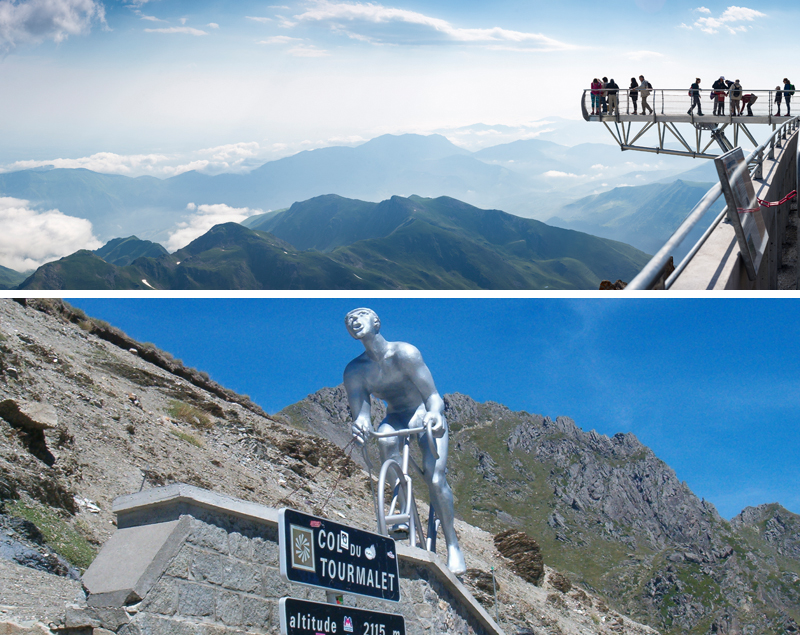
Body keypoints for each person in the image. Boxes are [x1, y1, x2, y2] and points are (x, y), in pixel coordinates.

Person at [343, 308, 466, 575]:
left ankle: (453, 544)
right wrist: (360, 425)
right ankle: (401, 508)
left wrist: (435, 414)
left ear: (376, 322)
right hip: (396, 416)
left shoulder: (405, 353)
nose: (353, 321)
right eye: (348, 321)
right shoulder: (355, 371)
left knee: (435, 478)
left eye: (360, 315)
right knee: (385, 440)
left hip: (423, 413)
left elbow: (433, 395)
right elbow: (361, 413)